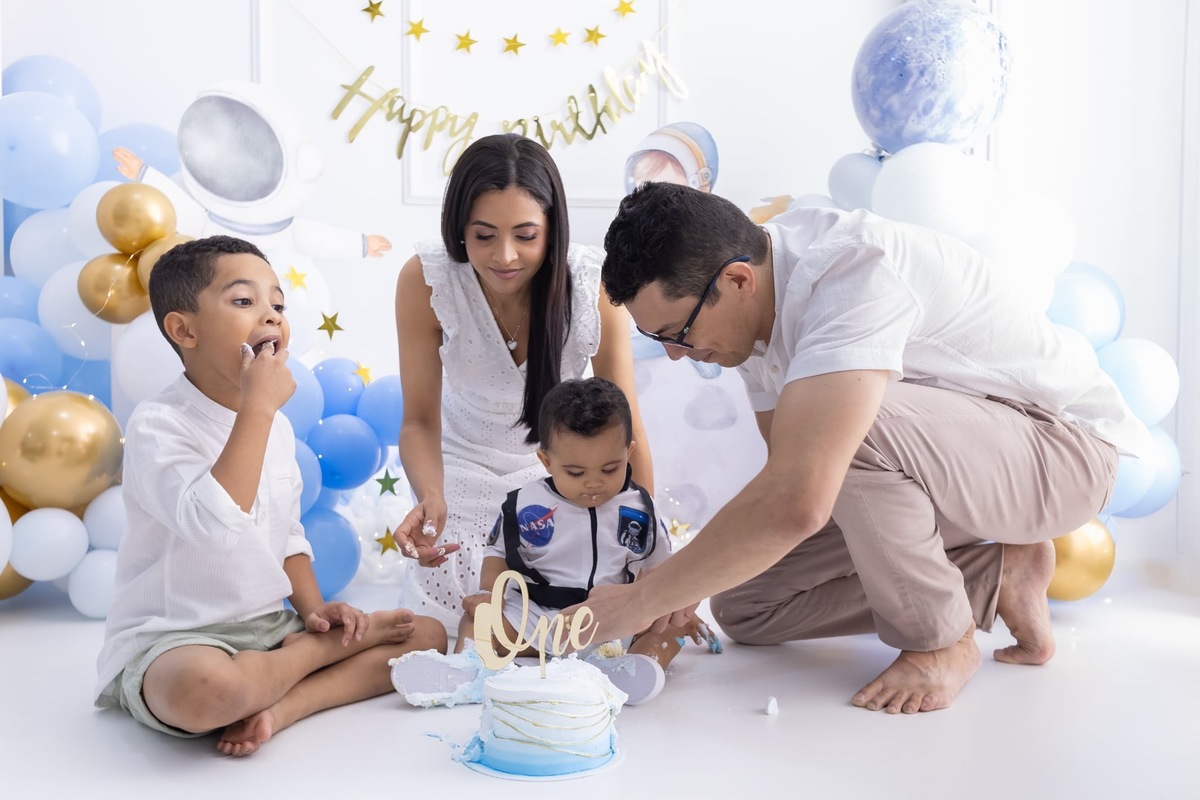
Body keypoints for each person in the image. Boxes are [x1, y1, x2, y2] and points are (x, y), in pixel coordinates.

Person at [581, 181, 1150, 714]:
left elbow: (800, 496)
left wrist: (639, 602)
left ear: (736, 281)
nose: (676, 355)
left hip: (1062, 448)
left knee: (845, 427)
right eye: (657, 340)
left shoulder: (853, 272)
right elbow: (791, 472)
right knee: (744, 604)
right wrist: (684, 584)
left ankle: (942, 643)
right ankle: (997, 575)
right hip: (962, 467)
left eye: (677, 334)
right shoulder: (751, 315)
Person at [93, 235, 446, 756]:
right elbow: (213, 526)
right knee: (206, 695)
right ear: (183, 329)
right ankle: (307, 660)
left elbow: (287, 533)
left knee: (430, 637)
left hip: (268, 628)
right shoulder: (159, 425)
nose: (272, 316)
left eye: (278, 304)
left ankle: (285, 705)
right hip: (178, 638)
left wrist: (314, 613)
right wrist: (255, 410)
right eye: (244, 301)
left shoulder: (276, 428)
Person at [393, 133, 653, 635]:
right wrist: (430, 496)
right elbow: (418, 421)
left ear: (552, 229)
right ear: (458, 229)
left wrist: (644, 546)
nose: (505, 256)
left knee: (578, 625)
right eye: (484, 235)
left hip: (565, 477)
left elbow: (627, 427)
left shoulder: (590, 287)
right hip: (460, 475)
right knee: (452, 629)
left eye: (526, 235)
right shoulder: (426, 280)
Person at [390, 377, 717, 706]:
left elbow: (661, 566)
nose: (593, 483)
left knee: (671, 627)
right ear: (546, 461)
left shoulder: (639, 508)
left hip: (611, 621)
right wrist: (490, 595)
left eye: (610, 468)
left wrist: (671, 605)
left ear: (628, 452)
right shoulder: (526, 505)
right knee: (479, 620)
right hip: (538, 617)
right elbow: (497, 554)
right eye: (575, 472)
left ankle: (633, 667)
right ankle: (469, 670)